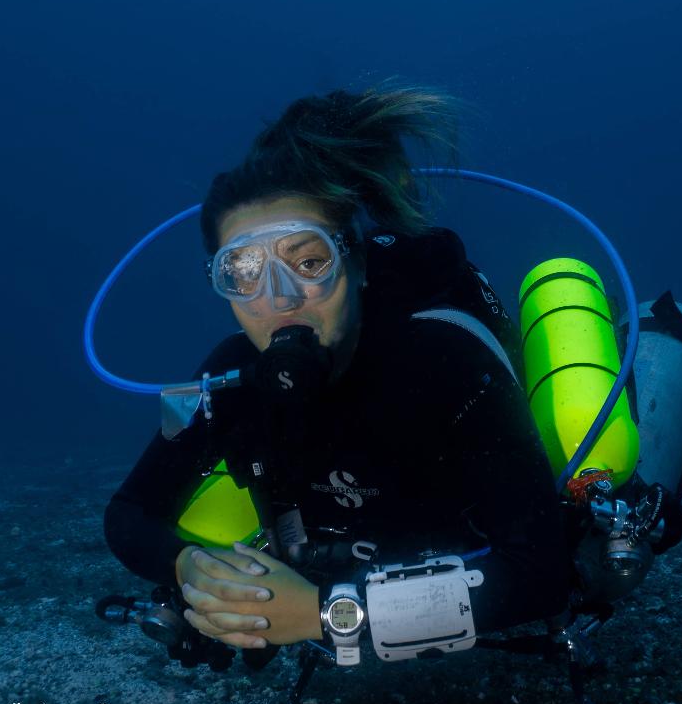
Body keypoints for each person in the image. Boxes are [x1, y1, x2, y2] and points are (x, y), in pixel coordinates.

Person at [104, 85, 573, 659]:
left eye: (308, 261)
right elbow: (129, 513)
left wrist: (324, 615)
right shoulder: (225, 378)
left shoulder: (448, 363)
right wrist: (191, 566)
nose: (279, 299)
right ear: (220, 286)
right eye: (243, 273)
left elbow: (544, 575)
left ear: (356, 264)